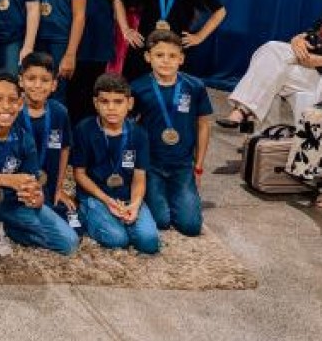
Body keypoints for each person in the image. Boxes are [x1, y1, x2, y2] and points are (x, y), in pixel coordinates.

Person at [0, 70, 79, 315]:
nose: (5, 107)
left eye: (12, 100)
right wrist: (9, 179)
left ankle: (4, 227)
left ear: (20, 103)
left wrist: (35, 196)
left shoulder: (24, 138)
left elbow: (32, 187)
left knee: (69, 243)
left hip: (11, 204)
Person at [130, 30, 210, 237]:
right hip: (151, 165)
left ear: (181, 59)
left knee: (191, 226)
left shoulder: (195, 87)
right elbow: (129, 127)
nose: (166, 60)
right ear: (148, 57)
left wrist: (198, 166)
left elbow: (203, 125)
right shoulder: (137, 87)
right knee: (161, 221)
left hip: (182, 166)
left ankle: (176, 193)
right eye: (159, 55)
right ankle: (156, 194)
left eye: (172, 56)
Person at [72, 73, 160, 254]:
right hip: (96, 196)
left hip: (126, 196)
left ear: (130, 103)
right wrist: (107, 200)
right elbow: (79, 174)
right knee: (117, 239)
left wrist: (135, 204)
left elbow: (139, 177)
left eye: (118, 102)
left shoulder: (139, 134)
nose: (111, 108)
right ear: (96, 103)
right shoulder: (84, 129)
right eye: (105, 102)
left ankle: (122, 219)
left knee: (149, 242)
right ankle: (85, 213)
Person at [218, 13, 322, 131]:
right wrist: (297, 40)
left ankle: (243, 111)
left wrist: (313, 60)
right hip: (312, 72)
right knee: (271, 53)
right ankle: (264, 133)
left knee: (274, 62)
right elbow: (311, 33)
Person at [18, 53, 76, 223]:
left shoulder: (60, 112)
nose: (37, 85)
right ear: (20, 81)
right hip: (19, 187)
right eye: (31, 79)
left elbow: (64, 149)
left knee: (70, 223)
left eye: (44, 80)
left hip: (48, 186)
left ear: (54, 85)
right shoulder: (12, 112)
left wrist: (59, 188)